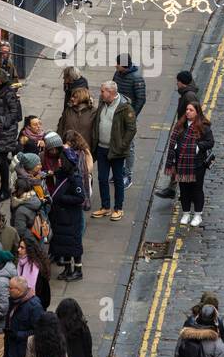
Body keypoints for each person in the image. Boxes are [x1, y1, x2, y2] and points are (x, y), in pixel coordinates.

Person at [90, 80, 136, 221]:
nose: (101, 93)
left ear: (110, 92)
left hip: (116, 150)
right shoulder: (103, 103)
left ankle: (118, 208)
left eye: (103, 91)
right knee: (102, 178)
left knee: (117, 179)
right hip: (101, 148)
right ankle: (105, 207)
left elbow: (131, 129)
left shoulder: (125, 107)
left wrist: (122, 145)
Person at [166, 100, 215, 227]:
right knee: (184, 189)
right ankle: (186, 213)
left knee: (196, 189)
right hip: (181, 164)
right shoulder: (180, 125)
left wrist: (197, 147)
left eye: (191, 110)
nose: (187, 112)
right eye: (187, 109)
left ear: (197, 112)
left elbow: (210, 142)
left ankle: (198, 215)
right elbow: (174, 141)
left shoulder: (203, 126)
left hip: (197, 164)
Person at [155, 71, 200, 199]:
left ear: (182, 82)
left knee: (183, 163)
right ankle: (173, 189)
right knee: (176, 162)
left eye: (178, 81)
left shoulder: (189, 96)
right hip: (182, 132)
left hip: (186, 134)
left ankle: (186, 193)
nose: (176, 83)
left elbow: (194, 116)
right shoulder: (187, 94)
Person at [49, 143, 87, 280]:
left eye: (60, 159)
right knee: (63, 244)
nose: (58, 161)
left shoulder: (74, 178)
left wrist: (62, 198)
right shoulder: (61, 175)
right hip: (61, 217)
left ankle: (78, 270)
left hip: (71, 217)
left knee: (74, 244)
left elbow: (80, 197)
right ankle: (67, 269)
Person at [0, 68, 22, 202]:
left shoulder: (8, 92)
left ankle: (6, 191)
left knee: (2, 161)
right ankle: (3, 189)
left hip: (5, 132)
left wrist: (0, 121)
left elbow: (14, 113)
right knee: (1, 161)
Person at [113, 53, 146, 188]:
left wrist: (132, 116)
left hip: (128, 117)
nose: (115, 65)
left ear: (124, 65)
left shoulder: (137, 78)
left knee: (128, 146)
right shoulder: (117, 74)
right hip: (116, 115)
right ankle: (119, 171)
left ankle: (128, 174)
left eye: (118, 63)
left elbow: (141, 99)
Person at [14, 234, 52, 310]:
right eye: (19, 247)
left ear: (29, 250)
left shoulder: (38, 269)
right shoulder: (20, 263)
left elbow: (45, 296)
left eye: (22, 248)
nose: (18, 250)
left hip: (36, 308)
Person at [57, 84, 96, 150]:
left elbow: (95, 133)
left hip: (85, 149)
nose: (72, 99)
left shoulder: (93, 112)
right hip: (67, 147)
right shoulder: (68, 110)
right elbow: (61, 127)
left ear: (82, 98)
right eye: (72, 96)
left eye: (75, 97)